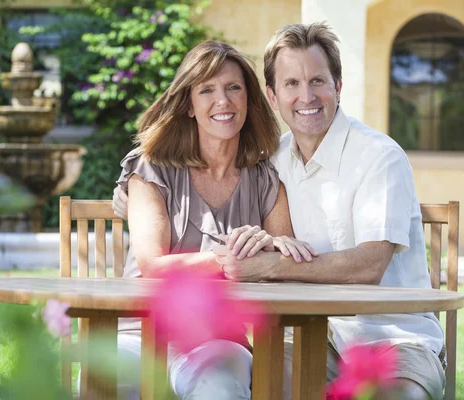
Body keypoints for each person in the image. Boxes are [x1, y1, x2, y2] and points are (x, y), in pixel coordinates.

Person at [114, 24, 446, 400]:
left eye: (318, 80)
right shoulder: (273, 161)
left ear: (338, 85)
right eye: (291, 83)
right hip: (311, 337)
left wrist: (268, 264)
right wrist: (131, 196)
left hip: (392, 338)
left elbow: (368, 267)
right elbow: (164, 230)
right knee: (268, 388)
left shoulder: (378, 157)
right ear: (272, 96)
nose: (307, 96)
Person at [113, 40, 314, 400]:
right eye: (207, 90)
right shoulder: (151, 168)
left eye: (233, 87)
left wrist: (268, 250)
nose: (222, 101)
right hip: (138, 333)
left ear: (248, 99)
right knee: (110, 382)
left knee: (219, 387)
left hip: (219, 339)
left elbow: (284, 263)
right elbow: (153, 265)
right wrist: (233, 259)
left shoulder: (266, 178)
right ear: (189, 105)